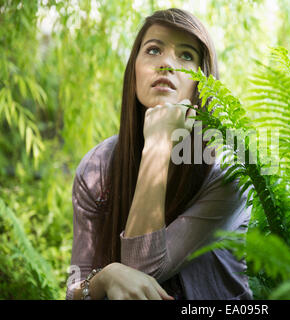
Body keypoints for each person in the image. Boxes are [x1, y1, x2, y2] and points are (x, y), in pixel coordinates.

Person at [65, 8, 253, 300]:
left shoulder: (228, 168)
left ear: (202, 83)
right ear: (134, 69)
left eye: (187, 55)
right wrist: (105, 277)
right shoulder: (97, 168)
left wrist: (158, 144)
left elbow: (144, 268)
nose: (166, 63)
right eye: (153, 50)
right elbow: (75, 290)